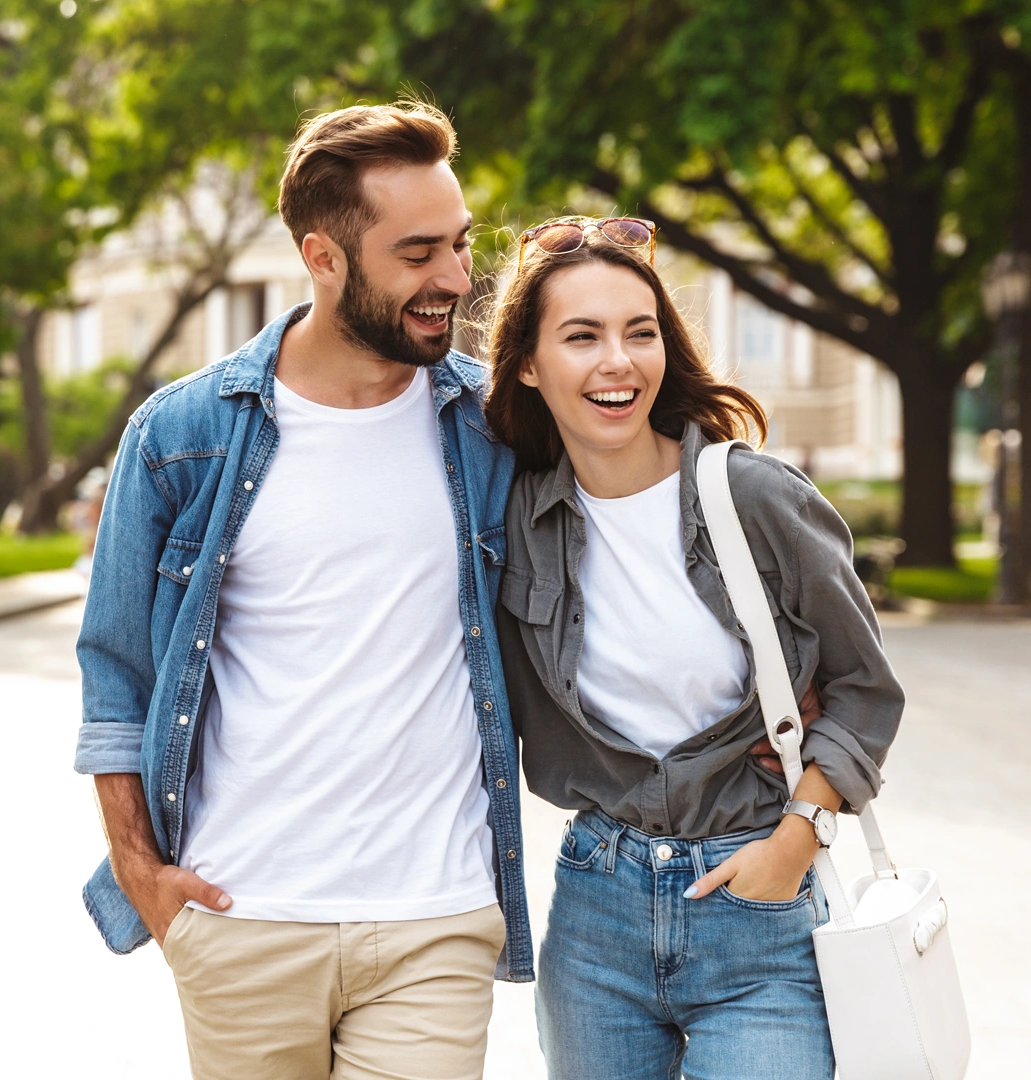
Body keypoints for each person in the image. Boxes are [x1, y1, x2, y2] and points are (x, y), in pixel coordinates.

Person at [73, 102, 533, 1080]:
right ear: (323, 258)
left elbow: (626, 529)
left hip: (435, 918)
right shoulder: (182, 434)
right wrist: (139, 871)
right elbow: (115, 670)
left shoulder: (491, 423)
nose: (456, 278)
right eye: (419, 253)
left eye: (458, 243)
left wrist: (778, 666)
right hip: (244, 917)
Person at [485, 218, 904, 1080]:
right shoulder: (511, 523)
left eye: (641, 334)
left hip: (758, 906)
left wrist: (797, 840)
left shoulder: (753, 497)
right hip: (596, 911)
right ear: (529, 364)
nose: (618, 362)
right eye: (582, 336)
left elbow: (865, 689)